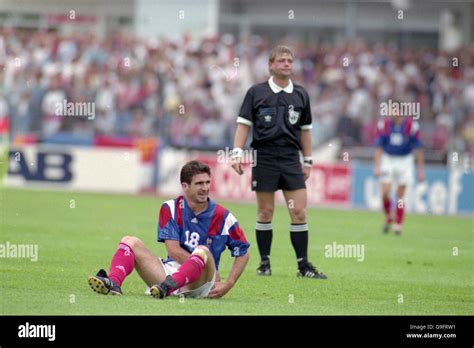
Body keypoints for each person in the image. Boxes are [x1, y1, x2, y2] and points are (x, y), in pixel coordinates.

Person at [230, 45, 326, 279]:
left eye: (289, 61)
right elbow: (244, 125)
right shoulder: (256, 92)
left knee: (300, 213)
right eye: (281, 60)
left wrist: (309, 160)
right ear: (271, 65)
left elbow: (305, 131)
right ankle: (265, 263)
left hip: (291, 159)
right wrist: (236, 152)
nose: (286, 64)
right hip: (265, 157)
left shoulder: (301, 94)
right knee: (265, 212)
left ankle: (303, 266)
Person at [88, 160, 250, 299]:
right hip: (169, 274)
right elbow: (174, 251)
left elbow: (243, 251)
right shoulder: (170, 208)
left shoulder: (222, 216)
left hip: (201, 282)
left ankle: (167, 286)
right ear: (185, 186)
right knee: (130, 241)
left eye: (207, 182)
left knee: (202, 251)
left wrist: (229, 283)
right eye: (199, 183)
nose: (205, 188)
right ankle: (113, 283)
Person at [374, 115, 425, 235]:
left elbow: (419, 148)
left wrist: (421, 170)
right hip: (388, 159)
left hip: (405, 161)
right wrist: (377, 166)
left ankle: (398, 224)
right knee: (385, 192)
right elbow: (378, 147)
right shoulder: (384, 125)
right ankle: (389, 216)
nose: (392, 113)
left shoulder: (411, 126)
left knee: (400, 195)